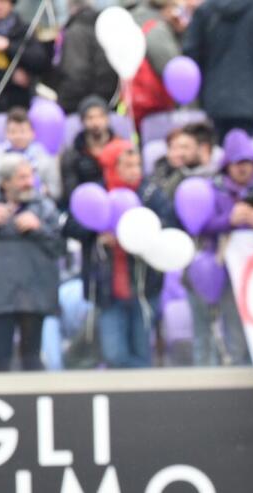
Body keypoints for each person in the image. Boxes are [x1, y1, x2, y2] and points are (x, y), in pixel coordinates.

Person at [0, 154, 64, 372]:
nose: (29, 182)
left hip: (34, 295)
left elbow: (60, 248)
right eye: (22, 177)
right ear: (5, 182)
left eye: (30, 176)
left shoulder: (44, 207)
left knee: (32, 358)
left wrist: (39, 228)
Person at [193, 130, 253, 366]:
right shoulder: (212, 189)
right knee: (234, 329)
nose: (242, 168)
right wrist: (228, 221)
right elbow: (200, 224)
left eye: (246, 162)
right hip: (228, 274)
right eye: (236, 163)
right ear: (227, 165)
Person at [91, 141, 164, 368]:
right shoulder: (96, 193)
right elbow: (74, 223)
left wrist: (139, 234)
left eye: (138, 165)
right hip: (108, 289)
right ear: (113, 167)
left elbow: (169, 224)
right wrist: (98, 232)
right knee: (114, 354)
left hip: (144, 287)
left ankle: (144, 400)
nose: (136, 172)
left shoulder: (151, 194)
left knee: (142, 351)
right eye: (129, 166)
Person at [183, 0, 253, 139]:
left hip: (214, 98)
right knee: (243, 156)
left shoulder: (205, 10)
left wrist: (204, 88)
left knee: (220, 152)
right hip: (251, 97)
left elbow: (191, 52)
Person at [125, 0, 189, 128]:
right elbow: (174, 72)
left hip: (140, 105)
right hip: (157, 107)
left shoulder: (134, 19)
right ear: (168, 9)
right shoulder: (157, 30)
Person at [52, 0, 119, 115]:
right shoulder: (102, 26)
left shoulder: (75, 32)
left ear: (71, 8)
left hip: (82, 108)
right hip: (107, 101)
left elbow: (76, 75)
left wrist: (62, 105)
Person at [0, 107, 61, 200]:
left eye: (22, 131)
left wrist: (42, 190)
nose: (18, 136)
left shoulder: (45, 158)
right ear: (6, 133)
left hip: (36, 205)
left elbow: (55, 191)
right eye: (13, 132)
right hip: (2, 203)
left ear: (32, 133)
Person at [60, 96, 125, 207]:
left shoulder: (122, 148)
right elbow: (71, 192)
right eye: (90, 118)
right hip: (88, 204)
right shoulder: (72, 155)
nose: (96, 122)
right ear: (82, 121)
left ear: (107, 119)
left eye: (100, 116)